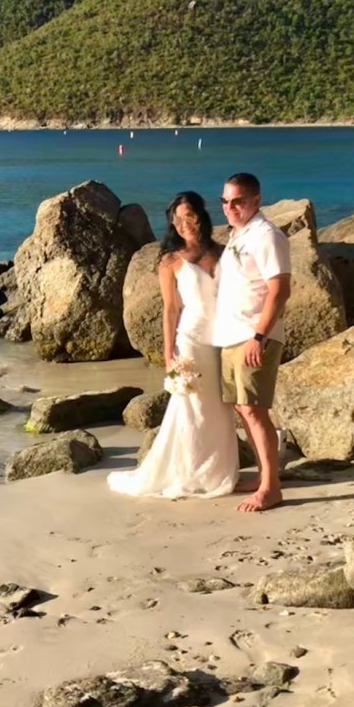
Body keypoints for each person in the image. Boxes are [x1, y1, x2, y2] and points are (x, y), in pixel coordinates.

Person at [107, 191, 239, 499]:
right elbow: (170, 309)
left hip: (223, 338)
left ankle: (218, 471)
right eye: (177, 220)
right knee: (193, 409)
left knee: (221, 408)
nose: (184, 225)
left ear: (201, 216)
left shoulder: (221, 252)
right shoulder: (170, 261)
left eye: (189, 216)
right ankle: (189, 471)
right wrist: (169, 354)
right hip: (191, 341)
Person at [216, 173, 292, 512]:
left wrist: (259, 337)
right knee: (242, 407)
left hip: (254, 335)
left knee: (254, 409)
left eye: (238, 201)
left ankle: (271, 488)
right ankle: (265, 475)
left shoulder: (267, 236)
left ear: (257, 201)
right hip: (231, 335)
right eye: (225, 201)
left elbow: (280, 290)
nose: (230, 208)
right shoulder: (238, 234)